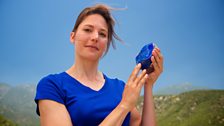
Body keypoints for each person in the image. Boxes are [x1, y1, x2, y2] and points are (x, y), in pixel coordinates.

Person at [34, 4, 163, 126]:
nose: (95, 37)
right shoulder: (52, 86)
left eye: (102, 34)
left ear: (106, 43)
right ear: (72, 37)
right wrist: (124, 106)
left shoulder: (120, 88)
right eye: (88, 30)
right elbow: (125, 105)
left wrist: (148, 85)